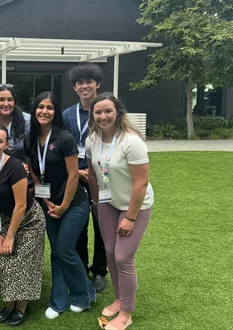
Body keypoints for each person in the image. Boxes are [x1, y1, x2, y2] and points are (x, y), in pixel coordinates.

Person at [85, 93, 154, 330]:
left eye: (108, 111)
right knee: (110, 252)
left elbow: (141, 183)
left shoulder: (131, 141)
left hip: (134, 204)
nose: (103, 116)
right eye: (98, 112)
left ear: (118, 113)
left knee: (123, 257)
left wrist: (131, 217)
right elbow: (93, 174)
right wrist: (97, 203)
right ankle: (118, 298)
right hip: (108, 203)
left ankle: (126, 312)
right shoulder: (92, 139)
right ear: (92, 115)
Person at [26, 92, 96, 320]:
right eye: (40, 107)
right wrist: (47, 202)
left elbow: (74, 174)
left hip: (74, 203)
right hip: (49, 203)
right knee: (56, 252)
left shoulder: (64, 138)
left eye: (49, 107)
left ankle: (83, 295)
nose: (44, 111)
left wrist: (64, 205)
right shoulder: (31, 138)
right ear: (34, 110)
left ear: (56, 112)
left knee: (65, 249)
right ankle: (59, 301)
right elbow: (35, 174)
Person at [0, 124, 45, 326]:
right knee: (1, 258)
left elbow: (21, 205)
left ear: (6, 144)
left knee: (19, 261)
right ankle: (9, 305)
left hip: (29, 220)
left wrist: (8, 237)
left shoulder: (15, 167)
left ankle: (22, 307)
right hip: (7, 220)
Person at [62, 64, 108, 292]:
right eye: (80, 82)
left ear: (97, 84)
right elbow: (61, 147)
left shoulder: (107, 111)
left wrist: (100, 172)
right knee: (78, 225)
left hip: (102, 178)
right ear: (75, 87)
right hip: (76, 177)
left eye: (89, 81)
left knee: (103, 224)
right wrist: (77, 172)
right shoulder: (67, 115)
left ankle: (100, 271)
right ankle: (80, 267)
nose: (84, 86)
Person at [0, 84, 31, 164]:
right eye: (1, 99)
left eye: (10, 100)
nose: (6, 104)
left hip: (22, 171)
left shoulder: (27, 121)